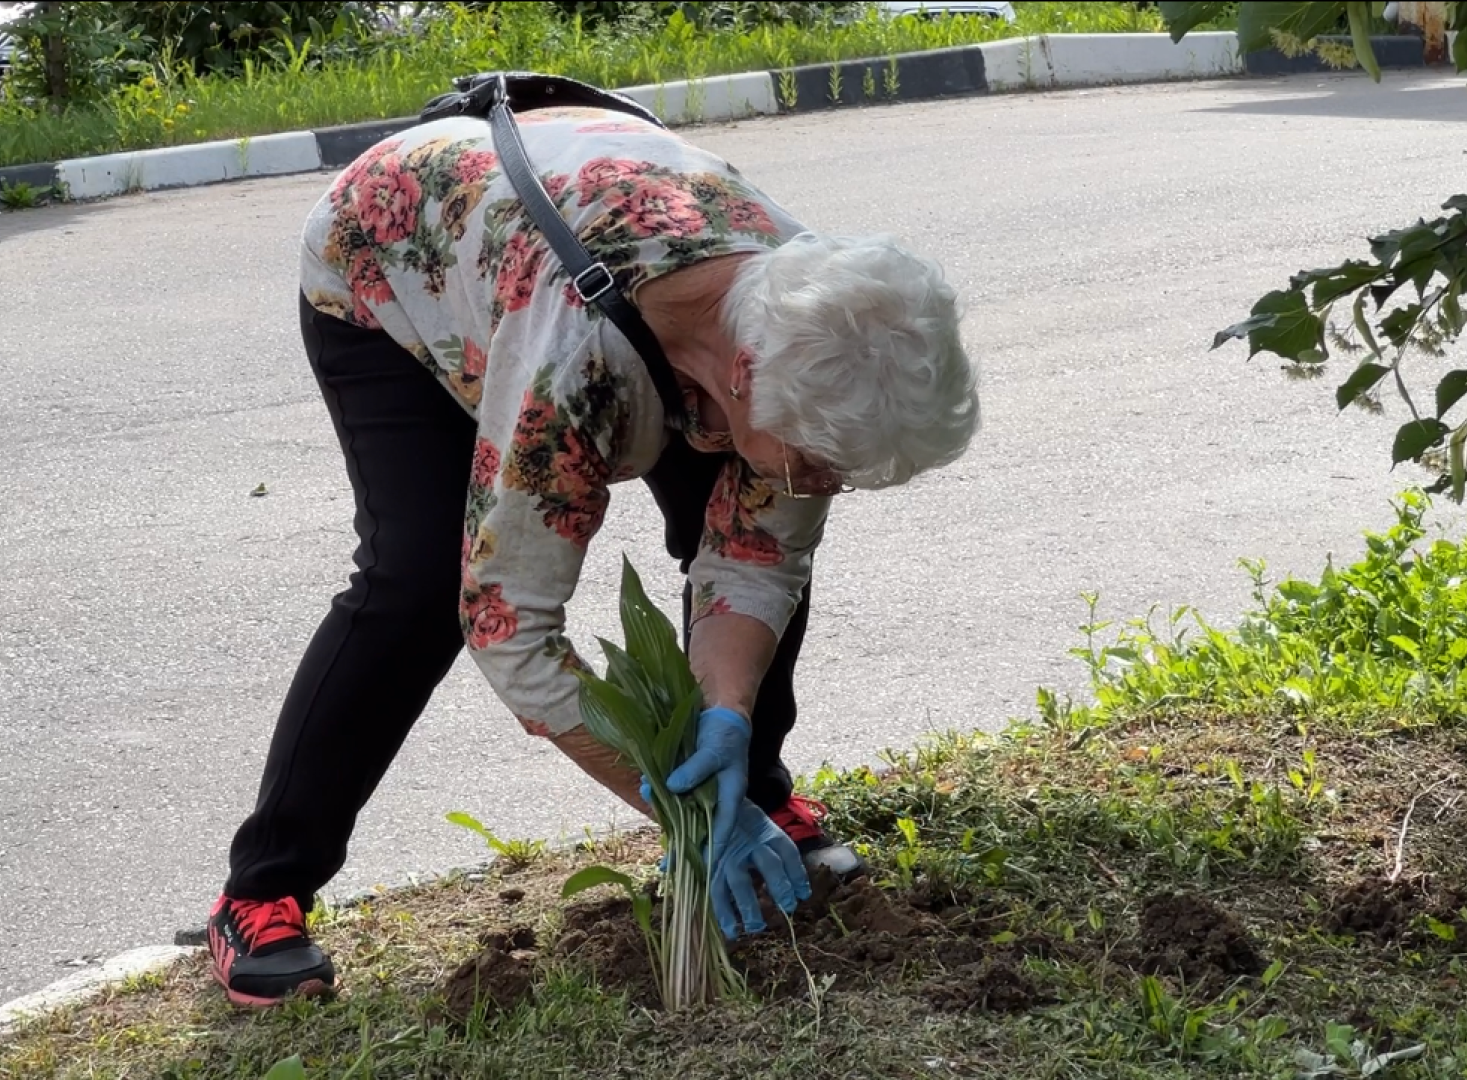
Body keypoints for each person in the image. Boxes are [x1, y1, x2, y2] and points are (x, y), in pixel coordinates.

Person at [204, 98, 982, 1008]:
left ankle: (753, 791)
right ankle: (262, 893)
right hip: (399, 261)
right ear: (742, 378)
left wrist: (727, 710)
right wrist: (677, 808)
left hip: (604, 227)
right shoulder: (573, 364)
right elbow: (511, 628)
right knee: (416, 584)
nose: (822, 487)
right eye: (817, 462)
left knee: (740, 527)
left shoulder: (825, 317)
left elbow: (758, 557)